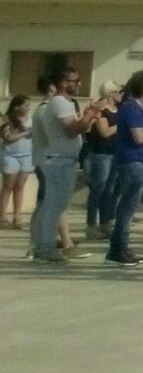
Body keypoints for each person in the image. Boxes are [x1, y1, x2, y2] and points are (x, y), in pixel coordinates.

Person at [29, 70, 102, 263]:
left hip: (61, 159)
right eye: (75, 81)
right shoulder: (60, 102)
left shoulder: (62, 103)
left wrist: (87, 116)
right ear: (63, 82)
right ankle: (45, 248)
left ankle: (41, 245)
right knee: (55, 206)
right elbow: (72, 130)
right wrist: (90, 115)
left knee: (50, 205)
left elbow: (76, 127)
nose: (79, 84)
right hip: (59, 160)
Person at [102, 70, 143, 268]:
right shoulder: (132, 107)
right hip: (131, 161)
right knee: (127, 207)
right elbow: (139, 138)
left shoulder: (139, 108)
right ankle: (119, 248)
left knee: (128, 206)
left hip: (136, 161)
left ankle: (119, 247)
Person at [0, 95, 31, 230]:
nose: (28, 108)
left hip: (26, 156)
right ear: (17, 107)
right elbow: (8, 138)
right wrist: (25, 133)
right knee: (8, 186)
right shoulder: (7, 120)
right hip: (10, 156)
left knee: (19, 187)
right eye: (26, 105)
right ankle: (2, 216)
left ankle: (17, 216)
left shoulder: (30, 120)